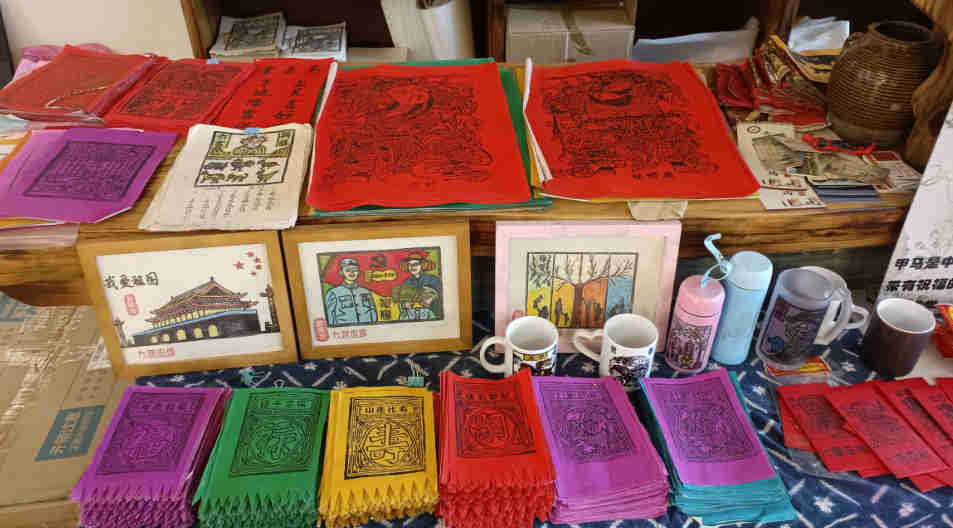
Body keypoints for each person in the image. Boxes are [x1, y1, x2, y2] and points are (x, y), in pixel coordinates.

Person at [325, 258, 377, 326]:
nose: (352, 272)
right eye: (348, 270)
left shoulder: (366, 292)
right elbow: (330, 316)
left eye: (355, 270)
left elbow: (373, 313)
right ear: (341, 272)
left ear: (359, 272)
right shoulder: (333, 293)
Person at [396, 251, 442, 321]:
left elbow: (439, 297)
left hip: (429, 314)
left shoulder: (433, 279)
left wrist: (430, 300)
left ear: (422, 265)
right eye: (409, 265)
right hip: (412, 315)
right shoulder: (406, 282)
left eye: (415, 264)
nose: (412, 267)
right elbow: (403, 301)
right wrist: (405, 304)